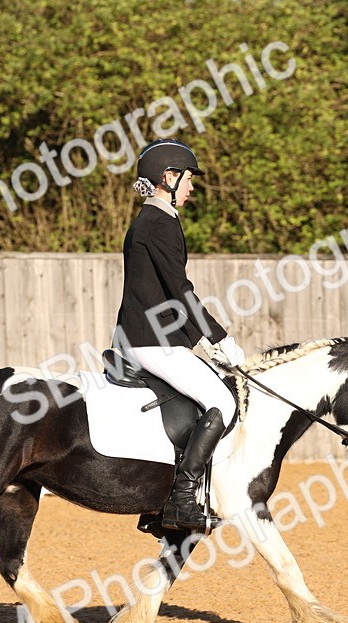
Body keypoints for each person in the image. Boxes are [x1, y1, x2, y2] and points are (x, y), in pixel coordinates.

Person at [112, 138, 246, 531]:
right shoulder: (160, 223)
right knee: (222, 401)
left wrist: (202, 343)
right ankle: (182, 499)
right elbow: (181, 292)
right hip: (151, 340)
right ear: (169, 177)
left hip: (151, 334)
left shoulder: (148, 220)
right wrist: (220, 339)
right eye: (188, 179)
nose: (192, 187)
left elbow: (166, 296)